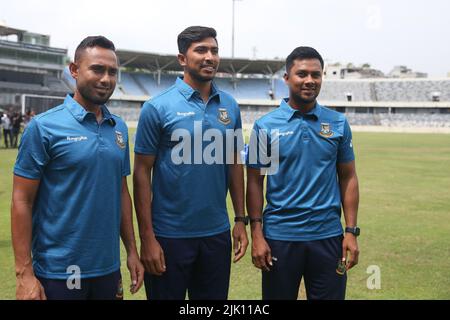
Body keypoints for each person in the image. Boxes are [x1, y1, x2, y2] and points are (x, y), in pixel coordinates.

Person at [11, 36, 144, 300]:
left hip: (108, 269)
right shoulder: (44, 127)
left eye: (112, 72)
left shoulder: (117, 128)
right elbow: (21, 200)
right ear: (74, 70)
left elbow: (121, 192)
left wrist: (131, 251)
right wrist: (24, 274)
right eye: (97, 69)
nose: (106, 79)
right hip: (60, 270)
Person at [133, 26, 248, 300]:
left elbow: (234, 164)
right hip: (169, 237)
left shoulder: (230, 106)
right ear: (182, 58)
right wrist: (147, 238)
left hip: (217, 234)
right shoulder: (157, 107)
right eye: (201, 50)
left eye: (215, 51)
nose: (210, 57)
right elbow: (141, 175)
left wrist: (241, 220)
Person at [246, 46, 360, 300]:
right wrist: (257, 233)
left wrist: (351, 231)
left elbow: (348, 177)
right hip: (279, 237)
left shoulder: (338, 123)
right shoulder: (266, 126)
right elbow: (255, 181)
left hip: (328, 236)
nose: (310, 80)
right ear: (286, 78)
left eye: (316, 75)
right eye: (302, 74)